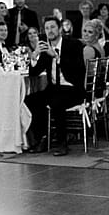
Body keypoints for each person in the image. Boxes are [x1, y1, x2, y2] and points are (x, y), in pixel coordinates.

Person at [25, 16, 86, 155]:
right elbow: (34, 72)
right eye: (47, 28)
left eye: (52, 27)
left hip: (72, 89)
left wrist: (57, 57)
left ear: (59, 29)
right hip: (54, 88)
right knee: (31, 100)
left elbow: (79, 69)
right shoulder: (46, 47)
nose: (50, 31)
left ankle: (62, 143)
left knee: (56, 102)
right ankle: (43, 138)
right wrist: (34, 55)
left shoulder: (74, 44)